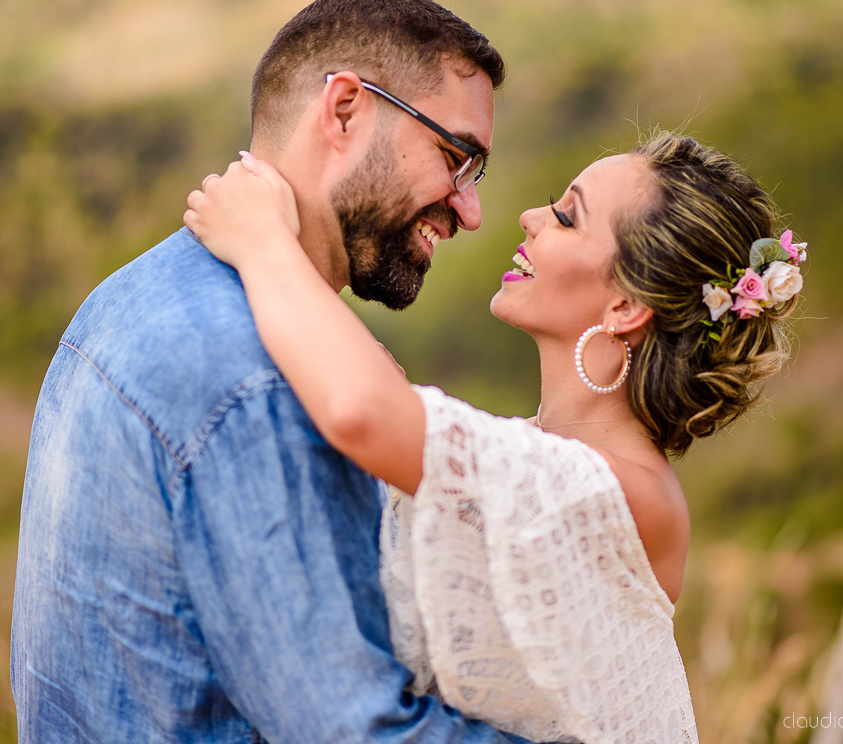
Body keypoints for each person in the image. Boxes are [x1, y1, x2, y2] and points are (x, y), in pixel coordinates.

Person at [10, 0, 534, 743]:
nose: (470, 207)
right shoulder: (263, 384)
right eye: (456, 156)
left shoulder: (129, 294)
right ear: (346, 109)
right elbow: (357, 730)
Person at [183, 132, 808, 743]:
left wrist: (263, 243)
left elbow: (363, 414)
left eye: (566, 217)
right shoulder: (538, 455)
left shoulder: (630, 500)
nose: (531, 217)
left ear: (625, 307)